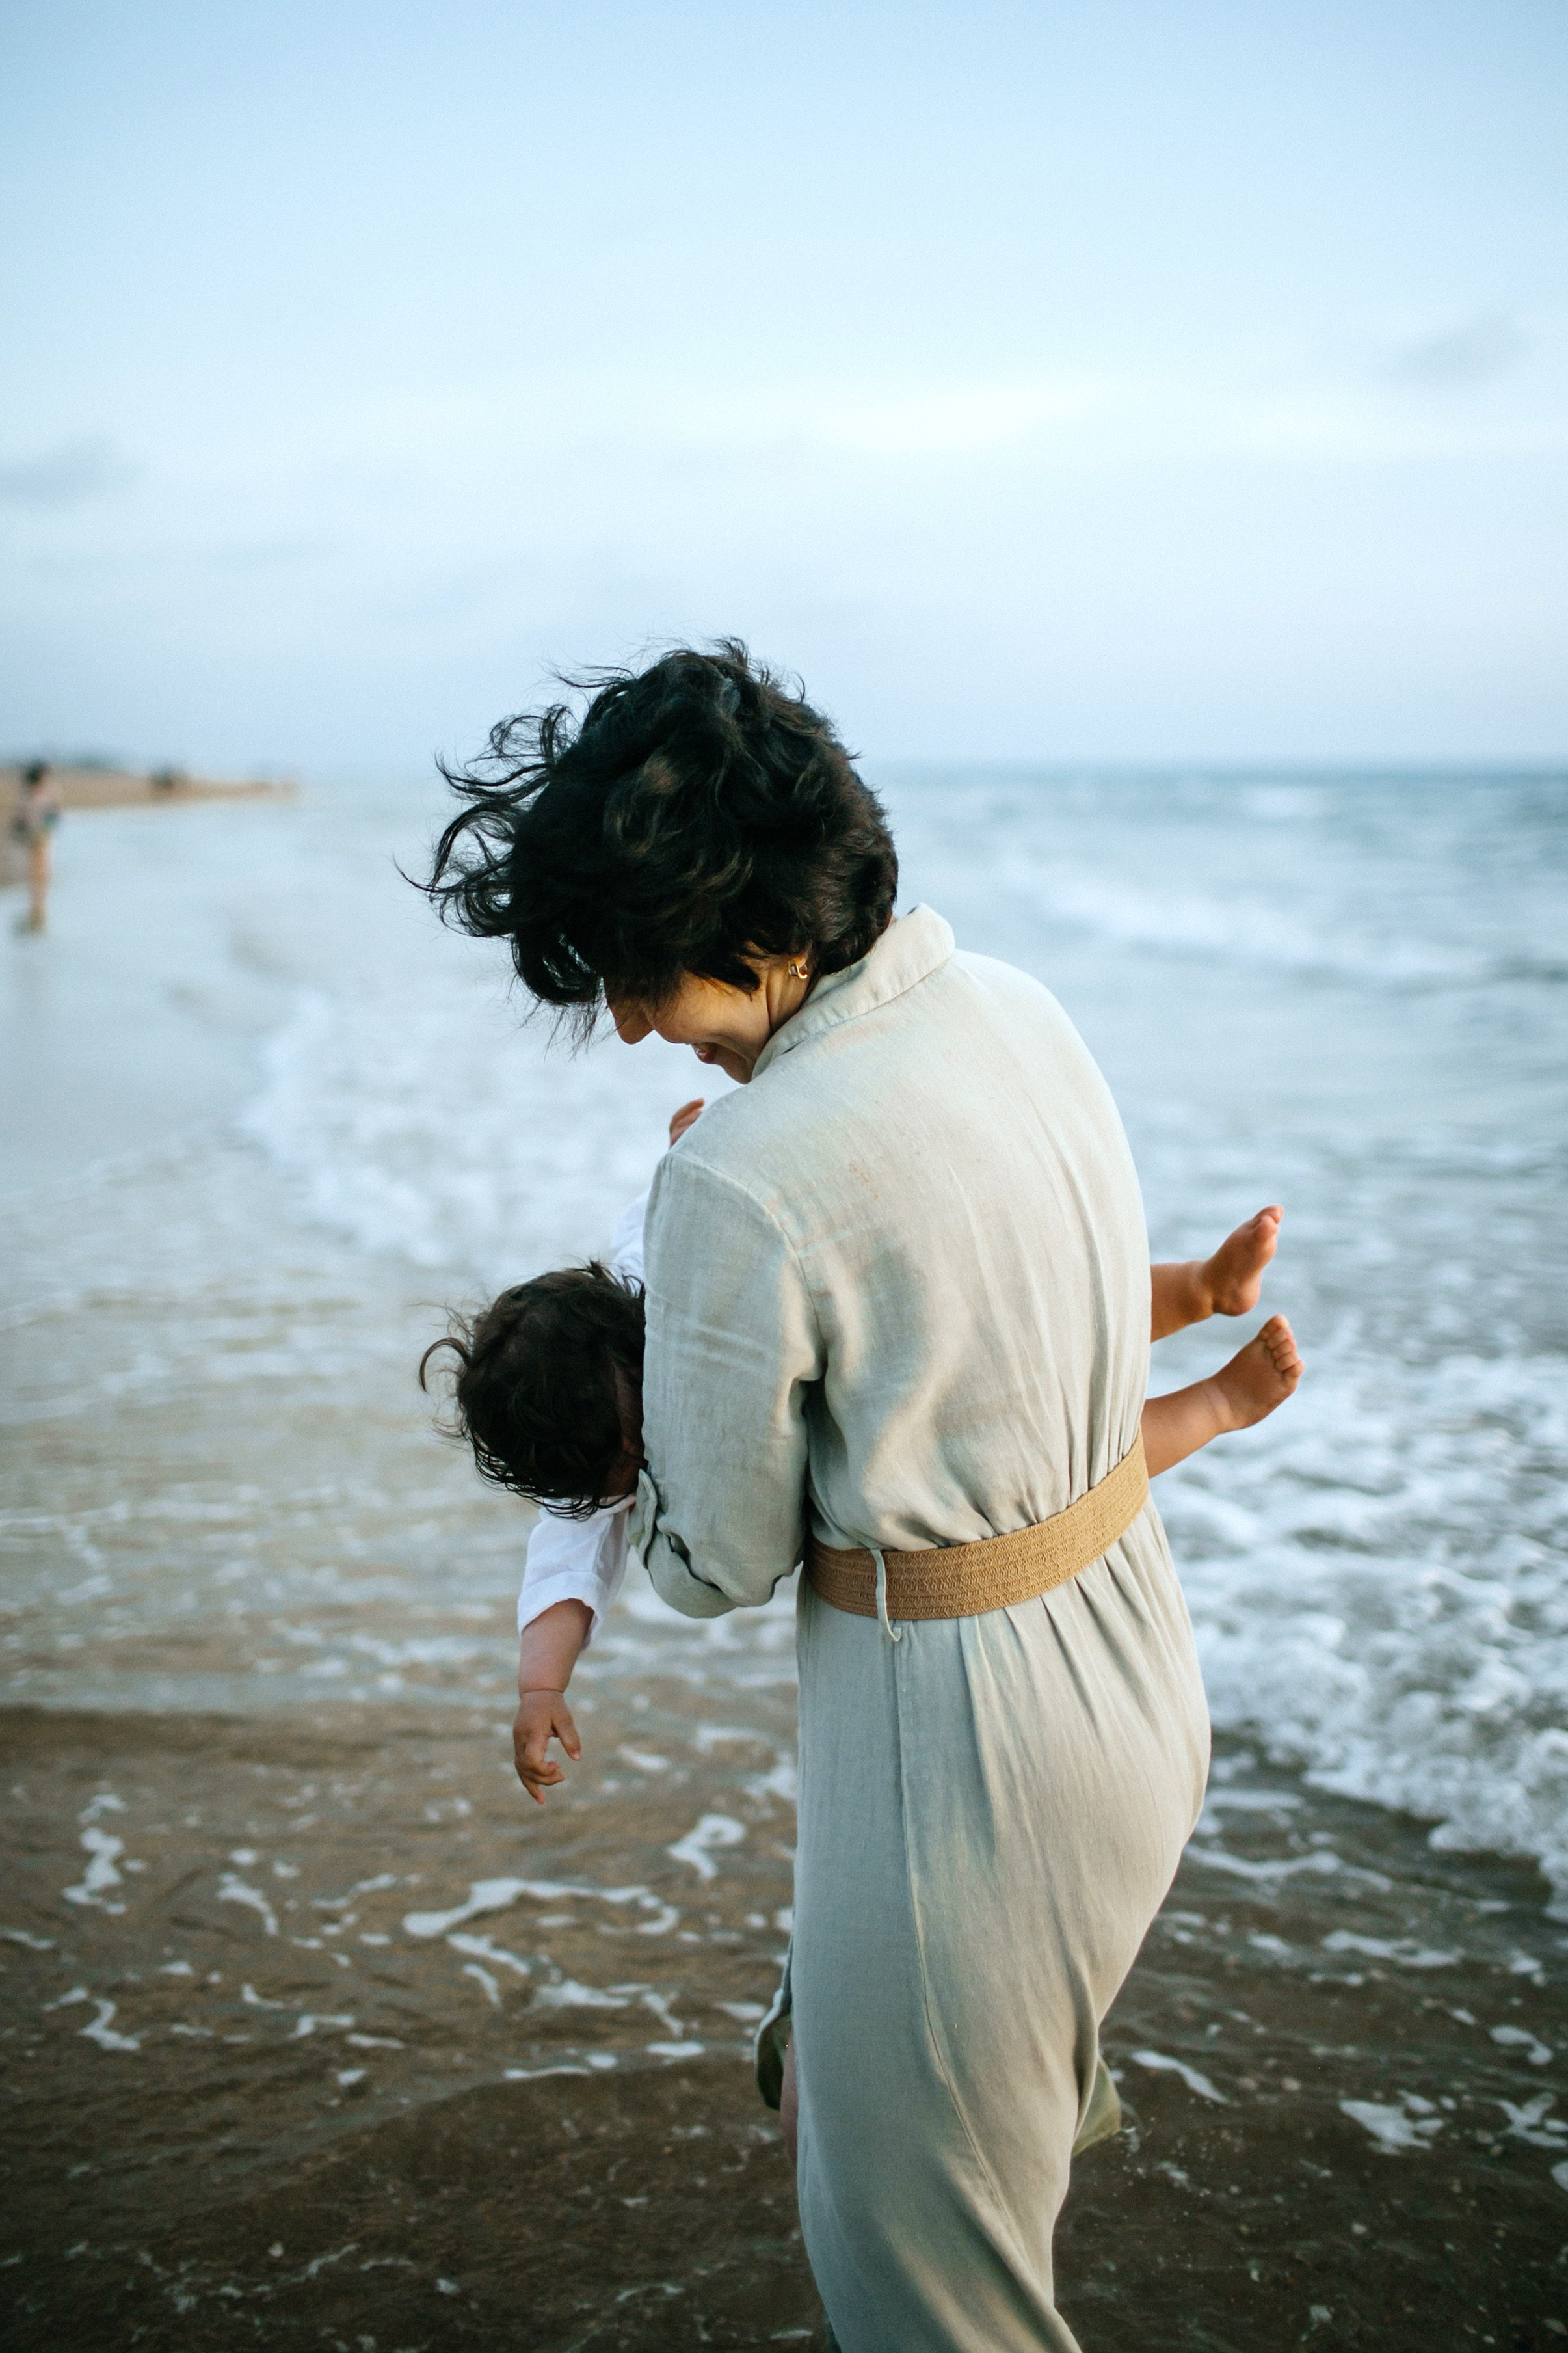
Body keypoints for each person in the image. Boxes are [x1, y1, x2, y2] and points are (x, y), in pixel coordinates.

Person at [420, 644, 1304, 2353]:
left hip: (965, 1755)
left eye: (622, 967)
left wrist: (661, 1402)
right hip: (1132, 1673)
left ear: (734, 923)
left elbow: (711, 1565)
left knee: (929, 2304)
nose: (620, 1020)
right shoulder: (1014, 1010)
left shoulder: (737, 1182)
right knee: (933, 2160)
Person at [12, 761, 60, 934]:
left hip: (37, 836)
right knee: (40, 874)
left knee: (38, 873)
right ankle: (37, 910)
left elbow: (52, 817)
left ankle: (37, 910)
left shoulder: (30, 798)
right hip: (38, 837)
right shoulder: (38, 798)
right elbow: (53, 816)